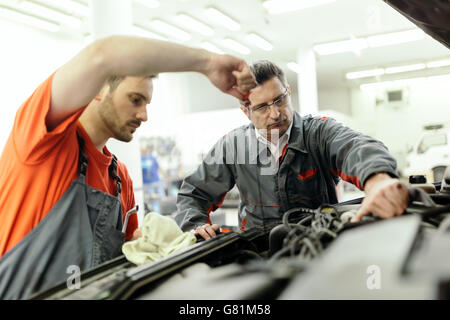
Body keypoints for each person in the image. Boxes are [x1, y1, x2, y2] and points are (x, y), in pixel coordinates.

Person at [0, 35, 256, 299]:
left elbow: (130, 250)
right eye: (136, 100)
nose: (144, 115)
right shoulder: (45, 142)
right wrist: (208, 63)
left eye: (146, 103)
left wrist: (179, 240)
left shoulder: (119, 177)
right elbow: (103, 54)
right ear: (99, 90)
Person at [175, 60, 409, 240]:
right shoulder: (233, 146)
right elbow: (194, 193)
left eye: (279, 100)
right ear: (246, 111)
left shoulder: (318, 133)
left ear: (288, 92)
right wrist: (196, 226)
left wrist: (377, 179)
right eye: (262, 107)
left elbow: (357, 147)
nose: (275, 113)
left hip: (320, 245)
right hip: (260, 255)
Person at [141, 144, 166, 212]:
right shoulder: (140, 158)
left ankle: (162, 212)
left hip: (156, 181)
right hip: (148, 184)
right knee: (152, 200)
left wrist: (164, 174)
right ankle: (157, 213)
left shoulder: (152, 157)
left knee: (161, 198)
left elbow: (158, 167)